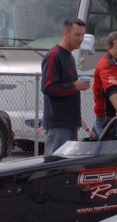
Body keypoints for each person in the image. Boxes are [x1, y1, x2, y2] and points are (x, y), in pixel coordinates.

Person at [41, 18, 90, 155]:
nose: (81, 39)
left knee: (66, 168)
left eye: (83, 35)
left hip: (69, 123)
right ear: (66, 33)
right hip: (58, 124)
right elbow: (48, 87)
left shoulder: (69, 56)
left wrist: (76, 120)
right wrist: (74, 86)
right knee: (54, 167)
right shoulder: (54, 55)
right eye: (77, 34)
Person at [92, 31, 117, 137]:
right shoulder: (107, 65)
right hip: (110, 118)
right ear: (109, 47)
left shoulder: (116, 64)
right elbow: (111, 88)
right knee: (110, 151)